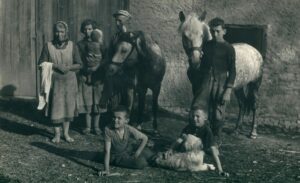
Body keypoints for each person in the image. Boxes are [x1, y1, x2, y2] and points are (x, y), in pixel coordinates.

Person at [38, 21, 82, 143]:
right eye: (57, 31)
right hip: (55, 83)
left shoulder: (73, 46)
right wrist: (55, 66)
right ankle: (57, 134)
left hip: (69, 82)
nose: (59, 34)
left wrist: (68, 68)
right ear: (54, 32)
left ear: (66, 32)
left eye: (62, 31)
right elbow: (40, 64)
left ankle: (66, 134)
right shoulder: (48, 46)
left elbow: (79, 64)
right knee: (56, 108)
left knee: (68, 107)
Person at [193, 17, 236, 139]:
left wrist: (227, 90)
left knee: (218, 114)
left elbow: (233, 71)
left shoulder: (229, 48)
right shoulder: (206, 46)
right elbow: (200, 66)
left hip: (220, 84)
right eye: (212, 31)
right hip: (205, 82)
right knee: (199, 109)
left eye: (217, 31)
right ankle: (200, 137)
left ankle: (216, 140)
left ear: (224, 31)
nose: (215, 34)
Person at [166, 107, 229, 176]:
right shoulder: (189, 127)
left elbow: (212, 149)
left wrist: (220, 170)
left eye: (197, 116)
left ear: (205, 118)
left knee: (212, 151)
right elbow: (179, 140)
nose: (194, 119)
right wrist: (170, 149)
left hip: (197, 153)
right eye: (193, 116)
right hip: (187, 152)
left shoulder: (207, 131)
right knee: (175, 163)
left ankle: (205, 166)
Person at [99, 106, 155, 176]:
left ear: (126, 120)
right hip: (116, 157)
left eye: (119, 118)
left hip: (126, 150)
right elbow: (107, 151)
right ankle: (147, 161)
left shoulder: (128, 128)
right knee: (141, 163)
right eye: (114, 117)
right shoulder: (108, 129)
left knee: (147, 151)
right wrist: (106, 170)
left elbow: (145, 138)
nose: (115, 120)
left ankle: (153, 159)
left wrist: (138, 152)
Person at [99, 10, 137, 113]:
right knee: (113, 93)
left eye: (120, 21)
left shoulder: (133, 37)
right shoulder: (115, 37)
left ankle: (128, 115)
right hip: (115, 70)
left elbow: (134, 57)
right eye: (116, 21)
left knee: (129, 92)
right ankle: (113, 114)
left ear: (127, 21)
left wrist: (123, 67)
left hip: (129, 71)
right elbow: (110, 54)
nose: (117, 24)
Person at [77, 19, 105, 135]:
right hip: (85, 75)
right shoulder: (80, 44)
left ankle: (96, 126)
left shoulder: (101, 44)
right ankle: (88, 126)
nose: (87, 31)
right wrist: (86, 69)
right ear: (82, 31)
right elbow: (78, 59)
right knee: (87, 101)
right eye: (85, 29)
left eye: (90, 29)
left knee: (97, 101)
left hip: (98, 76)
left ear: (94, 30)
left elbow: (105, 59)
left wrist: (97, 66)